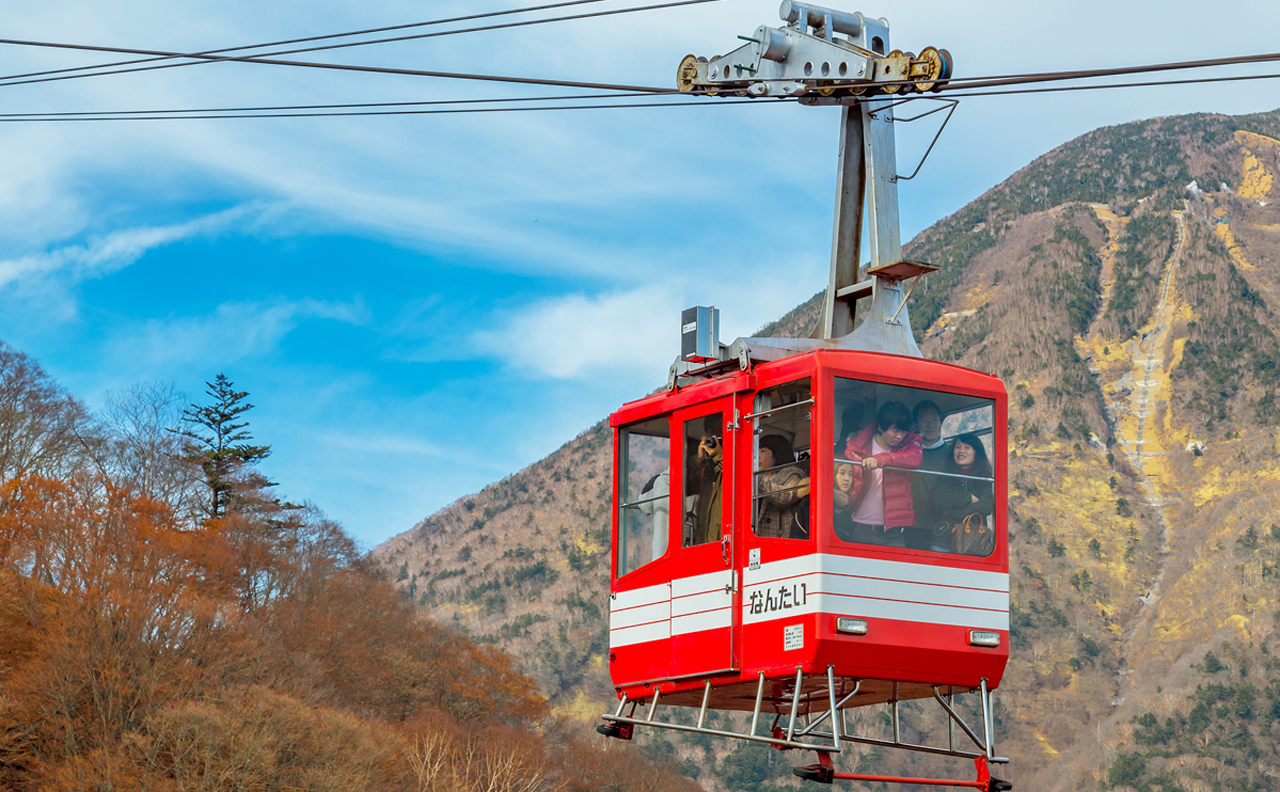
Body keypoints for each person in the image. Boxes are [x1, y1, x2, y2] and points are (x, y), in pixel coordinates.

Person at [840, 401, 923, 547]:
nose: (900, 436)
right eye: (895, 430)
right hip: (859, 526)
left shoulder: (910, 443)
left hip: (892, 531)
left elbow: (914, 459)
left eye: (903, 431)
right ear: (880, 427)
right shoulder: (857, 448)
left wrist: (880, 459)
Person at [929, 432, 996, 555]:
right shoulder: (946, 475)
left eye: (967, 447)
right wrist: (968, 498)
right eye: (958, 447)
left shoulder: (983, 479)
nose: (961, 451)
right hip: (943, 539)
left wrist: (952, 512)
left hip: (973, 543)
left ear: (976, 452)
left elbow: (986, 506)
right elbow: (937, 499)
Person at [907, 400, 949, 550]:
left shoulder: (952, 454)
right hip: (913, 525)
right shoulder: (908, 452)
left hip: (942, 527)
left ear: (940, 423)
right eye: (924, 419)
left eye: (934, 420)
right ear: (916, 424)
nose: (930, 425)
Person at [755, 435, 808, 539]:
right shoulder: (755, 479)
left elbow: (787, 496)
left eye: (762, 451)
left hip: (782, 539)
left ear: (776, 454)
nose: (757, 455)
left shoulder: (793, 473)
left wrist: (758, 478)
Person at [688, 415, 723, 546]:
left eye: (721, 431)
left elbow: (737, 478)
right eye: (713, 433)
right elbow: (680, 487)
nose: (717, 436)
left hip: (725, 542)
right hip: (703, 542)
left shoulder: (740, 456)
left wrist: (719, 455)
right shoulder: (705, 465)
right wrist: (698, 459)